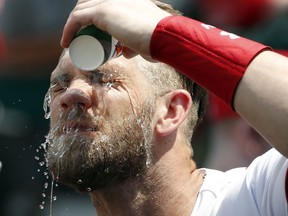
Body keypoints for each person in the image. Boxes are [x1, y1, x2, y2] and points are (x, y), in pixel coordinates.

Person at [46, 0, 288, 215]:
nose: (71, 94)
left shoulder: (256, 198)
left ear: (171, 111)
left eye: (103, 79)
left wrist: (165, 32)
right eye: (60, 85)